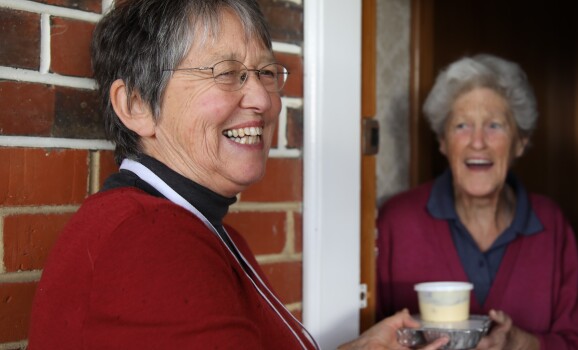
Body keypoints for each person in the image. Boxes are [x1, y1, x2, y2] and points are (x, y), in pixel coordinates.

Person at [28, 0, 447, 349]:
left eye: (267, 73)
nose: (263, 99)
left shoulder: (193, 226)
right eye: (227, 73)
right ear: (136, 105)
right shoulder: (150, 240)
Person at [376, 54, 578, 350]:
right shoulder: (397, 221)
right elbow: (370, 337)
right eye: (461, 125)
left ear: (520, 142)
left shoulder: (551, 224)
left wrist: (525, 345)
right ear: (443, 141)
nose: (478, 142)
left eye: (495, 125)